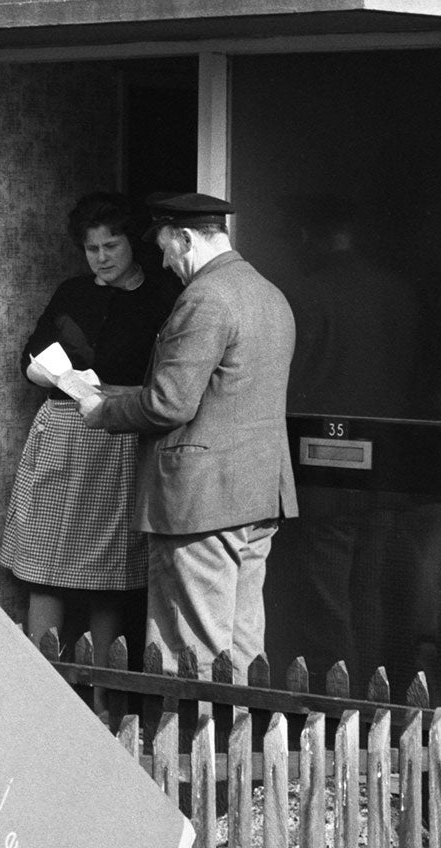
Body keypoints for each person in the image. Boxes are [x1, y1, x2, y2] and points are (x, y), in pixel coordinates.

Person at [68, 193, 297, 669]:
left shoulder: (205, 298)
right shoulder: (267, 292)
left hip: (201, 504)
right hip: (257, 494)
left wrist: (101, 410)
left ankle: (188, 745)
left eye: (168, 249)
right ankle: (243, 741)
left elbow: (169, 402)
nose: (167, 264)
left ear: (187, 239)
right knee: (241, 643)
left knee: (187, 649)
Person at [0, 193, 179, 660]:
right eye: (91, 248)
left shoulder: (162, 297)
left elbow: (167, 380)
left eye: (111, 246)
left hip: (118, 437)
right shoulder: (71, 293)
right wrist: (55, 374)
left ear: (131, 244)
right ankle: (45, 689)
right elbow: (30, 357)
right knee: (44, 563)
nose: (101, 258)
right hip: (60, 434)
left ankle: (105, 704)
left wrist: (109, 390)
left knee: (108, 575)